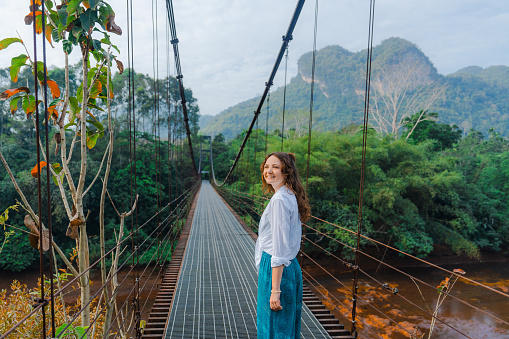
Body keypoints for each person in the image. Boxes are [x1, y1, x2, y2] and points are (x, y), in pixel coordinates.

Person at [255, 152, 311, 338]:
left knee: (273, 329)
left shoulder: (279, 200)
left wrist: (275, 291)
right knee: (287, 327)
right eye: (266, 166)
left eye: (275, 167)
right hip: (290, 267)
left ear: (287, 172)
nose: (269, 171)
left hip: (276, 269)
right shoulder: (288, 194)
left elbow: (278, 249)